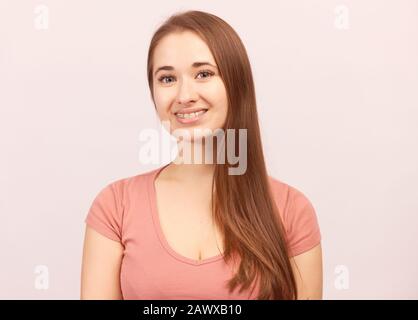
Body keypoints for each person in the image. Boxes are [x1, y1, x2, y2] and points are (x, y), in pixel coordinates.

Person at [81, 10, 322, 300]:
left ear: (236, 83)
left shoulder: (291, 211)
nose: (184, 95)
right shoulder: (115, 207)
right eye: (167, 79)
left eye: (203, 74)